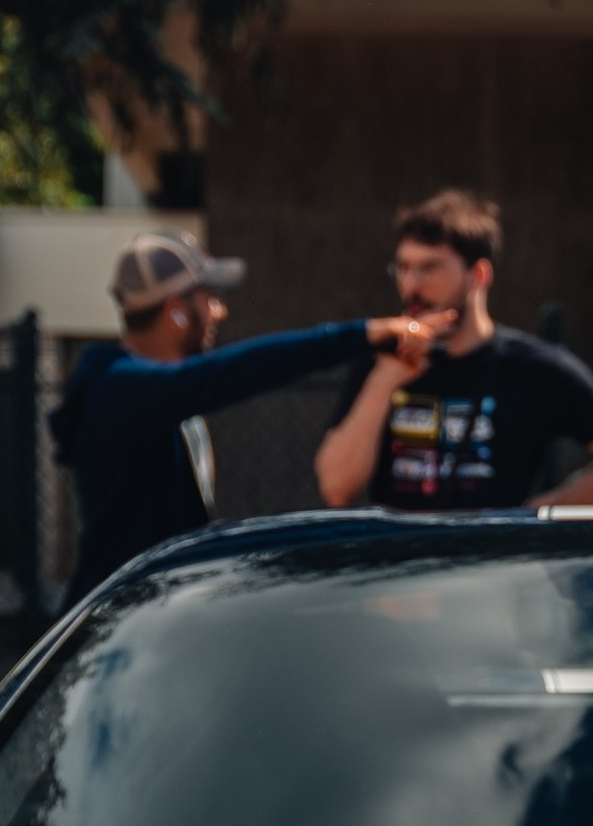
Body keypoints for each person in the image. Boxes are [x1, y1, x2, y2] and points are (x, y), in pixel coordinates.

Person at [53, 229, 427, 595]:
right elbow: (237, 371)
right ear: (175, 311)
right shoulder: (121, 389)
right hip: (118, 620)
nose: (220, 310)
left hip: (155, 608)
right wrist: (362, 334)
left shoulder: (154, 387)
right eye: (209, 297)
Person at [313, 189, 593, 513]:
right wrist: (384, 380)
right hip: (399, 572)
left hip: (492, 573)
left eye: (429, 267)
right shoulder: (381, 359)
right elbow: (337, 487)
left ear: (478, 275)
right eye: (403, 268)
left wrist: (537, 515)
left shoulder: (533, 366)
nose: (412, 284)